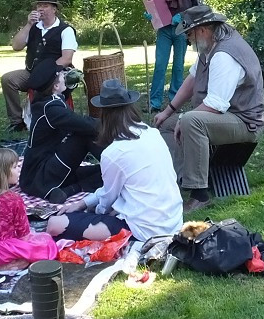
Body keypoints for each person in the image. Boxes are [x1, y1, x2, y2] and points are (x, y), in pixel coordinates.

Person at [152, 4, 264, 214]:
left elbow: (215, 105)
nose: (187, 39)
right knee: (165, 124)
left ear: (202, 30)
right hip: (228, 115)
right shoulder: (210, 45)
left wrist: (184, 116)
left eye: (189, 33)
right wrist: (168, 111)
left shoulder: (224, 54)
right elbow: (192, 79)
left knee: (190, 121)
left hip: (246, 122)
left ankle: (199, 195)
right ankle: (179, 180)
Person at [53, 79, 183, 242]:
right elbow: (112, 192)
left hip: (145, 231)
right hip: (173, 222)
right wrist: (83, 203)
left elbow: (107, 201)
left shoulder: (114, 153)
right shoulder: (153, 134)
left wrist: (90, 212)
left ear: (104, 115)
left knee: (55, 224)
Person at [0, 147, 59, 272]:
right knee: (47, 246)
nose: (18, 170)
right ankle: (7, 266)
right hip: (5, 252)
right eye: (14, 167)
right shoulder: (14, 199)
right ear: (1, 173)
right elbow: (24, 235)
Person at [20, 59, 103, 203]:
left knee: (101, 172)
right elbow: (85, 124)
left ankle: (69, 190)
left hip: (36, 175)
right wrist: (120, 124)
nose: (64, 76)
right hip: (41, 176)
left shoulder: (46, 101)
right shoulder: (51, 108)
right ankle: (119, 163)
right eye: (61, 75)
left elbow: (63, 97)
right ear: (56, 85)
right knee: (85, 134)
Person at [0, 0, 78, 132]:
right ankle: (17, 121)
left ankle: (46, 119)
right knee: (8, 79)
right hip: (30, 72)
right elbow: (16, 46)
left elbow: (66, 59)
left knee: (42, 84)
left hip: (56, 74)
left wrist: (45, 75)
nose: (41, 9)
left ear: (54, 9)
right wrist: (29, 24)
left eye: (45, 6)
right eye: (39, 5)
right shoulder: (33, 27)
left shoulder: (65, 30)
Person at [149, 0, 203, 112]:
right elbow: (158, 9)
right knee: (160, 65)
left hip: (182, 30)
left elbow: (199, 8)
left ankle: (175, 102)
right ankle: (154, 103)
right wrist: (151, 13)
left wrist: (184, 17)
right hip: (164, 31)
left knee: (178, 66)